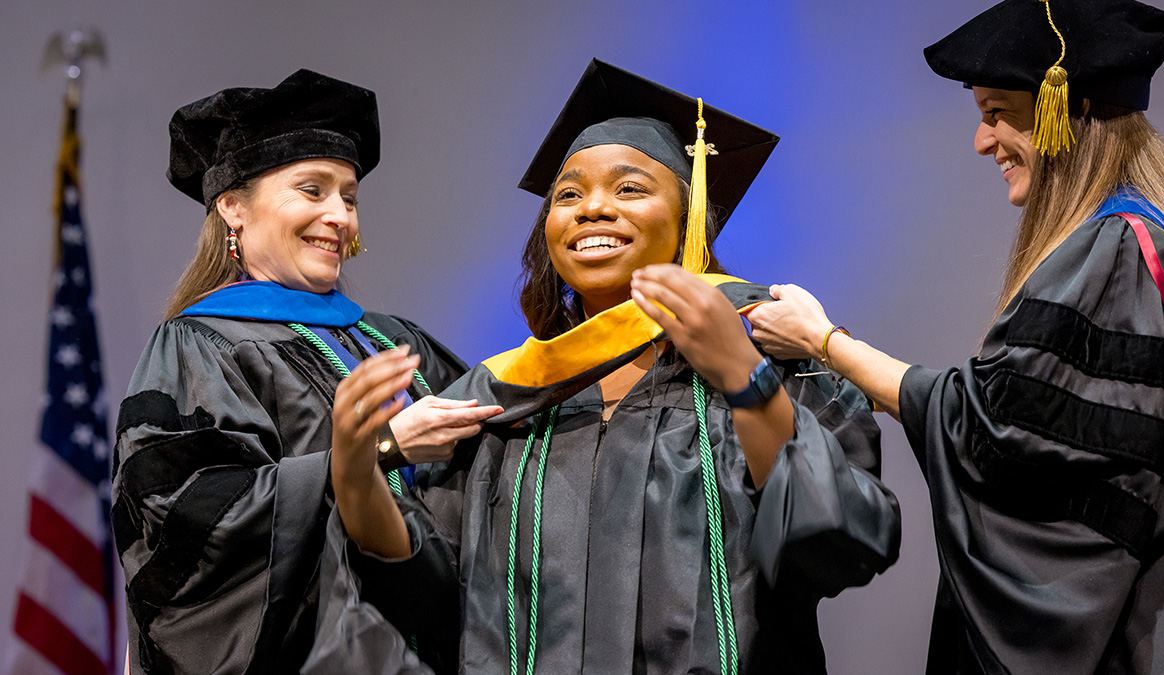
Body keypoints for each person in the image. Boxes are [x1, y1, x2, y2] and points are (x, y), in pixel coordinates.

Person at [332, 59, 902, 674]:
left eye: (629, 188)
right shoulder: (505, 393)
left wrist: (746, 381)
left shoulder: (776, 349)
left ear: (688, 219)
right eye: (568, 195)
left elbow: (846, 545)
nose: (591, 209)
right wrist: (358, 470)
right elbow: (433, 596)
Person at [746, 1, 1164, 673]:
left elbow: (1001, 433)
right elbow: (1033, 411)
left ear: (1060, 109)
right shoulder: (1162, 231)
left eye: (995, 113)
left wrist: (823, 340)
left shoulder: (1120, 250)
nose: (982, 142)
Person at [112, 69, 500, 675]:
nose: (340, 216)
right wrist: (380, 449)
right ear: (233, 207)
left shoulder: (391, 337)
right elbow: (188, 517)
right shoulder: (201, 347)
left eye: (348, 197)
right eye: (312, 190)